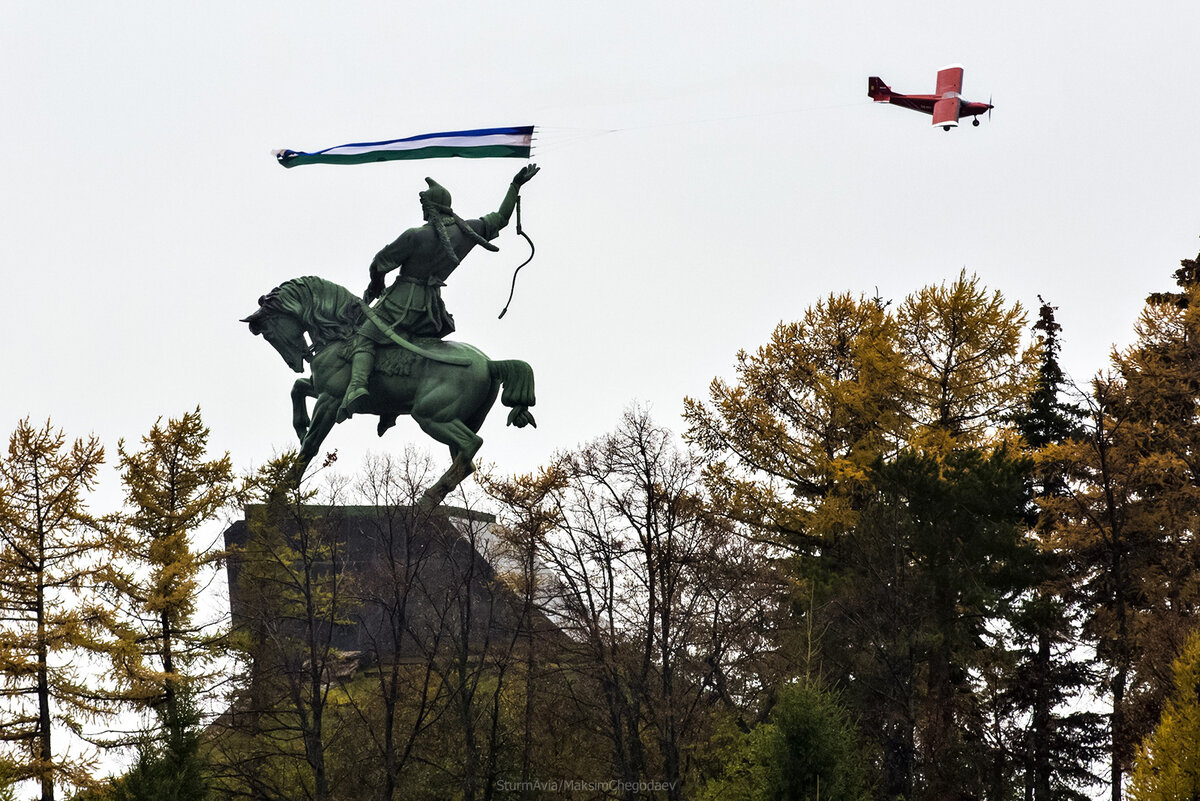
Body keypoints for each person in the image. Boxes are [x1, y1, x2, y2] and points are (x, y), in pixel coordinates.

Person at [338, 164, 539, 420]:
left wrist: (375, 285)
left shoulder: (415, 236)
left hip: (401, 303)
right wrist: (514, 186)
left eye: (424, 204)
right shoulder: (467, 230)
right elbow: (501, 218)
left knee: (365, 335)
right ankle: (393, 403)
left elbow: (378, 264)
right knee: (412, 347)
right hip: (430, 310)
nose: (422, 208)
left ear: (431, 206)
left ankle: (357, 387)